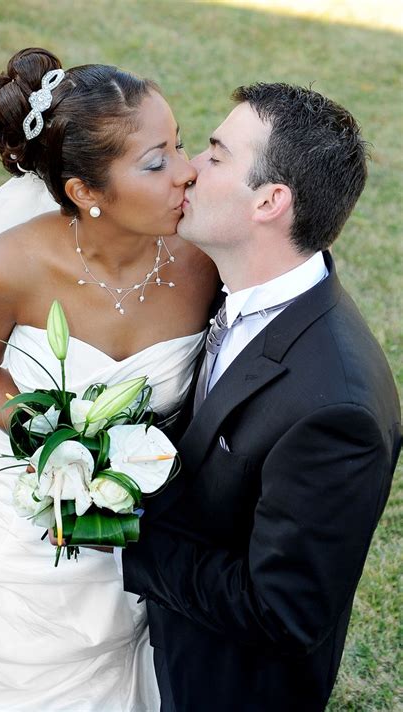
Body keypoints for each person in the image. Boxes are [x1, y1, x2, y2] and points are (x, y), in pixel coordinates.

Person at [0, 47, 218, 710]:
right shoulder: (9, 267)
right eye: (156, 162)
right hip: (6, 541)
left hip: (136, 545)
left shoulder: (204, 267)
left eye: (180, 145)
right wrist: (51, 437)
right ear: (85, 192)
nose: (188, 174)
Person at [121, 83, 402, 711]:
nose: (190, 170)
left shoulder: (336, 411)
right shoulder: (233, 286)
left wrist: (124, 533)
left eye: (216, 156)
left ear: (270, 202)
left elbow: (281, 610)